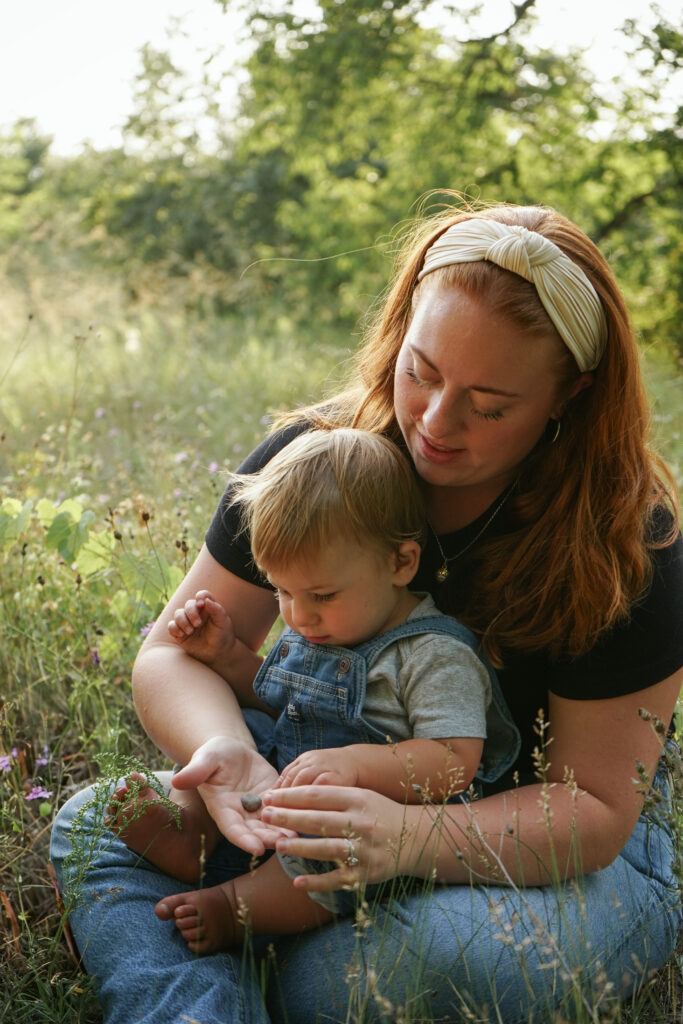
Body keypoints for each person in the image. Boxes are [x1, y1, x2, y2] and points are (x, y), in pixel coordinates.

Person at [50, 200, 683, 1024]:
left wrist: (401, 839)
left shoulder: (626, 540)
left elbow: (592, 809)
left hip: (540, 854)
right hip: (311, 811)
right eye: (418, 371)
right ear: (399, 329)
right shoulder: (320, 466)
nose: (434, 421)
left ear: (572, 395)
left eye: (488, 405)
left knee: (394, 967)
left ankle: (270, 957)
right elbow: (171, 656)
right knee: (100, 819)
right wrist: (230, 754)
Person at [105, 427, 519, 954]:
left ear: (400, 563)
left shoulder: (436, 656)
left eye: (320, 594)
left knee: (329, 850)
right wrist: (226, 655)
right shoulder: (329, 619)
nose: (298, 615)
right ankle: (197, 836)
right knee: (238, 741)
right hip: (289, 772)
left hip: (377, 816)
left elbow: (456, 759)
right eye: (282, 591)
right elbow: (277, 700)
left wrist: (355, 766)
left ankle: (238, 907)